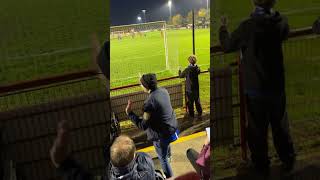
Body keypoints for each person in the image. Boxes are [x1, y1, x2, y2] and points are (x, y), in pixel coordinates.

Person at [218, 0, 295, 175]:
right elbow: (284, 30)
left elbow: (227, 45)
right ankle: (288, 159)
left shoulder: (248, 27)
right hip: (276, 86)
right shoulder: (280, 23)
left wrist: (223, 28)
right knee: (281, 127)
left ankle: (261, 164)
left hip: (255, 89)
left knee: (257, 130)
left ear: (254, 4)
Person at [50, 121, 157, 180]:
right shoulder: (145, 168)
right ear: (134, 156)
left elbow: (59, 160)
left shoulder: (109, 171)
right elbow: (144, 159)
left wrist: (62, 161)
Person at [126, 73, 179, 178]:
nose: (140, 86)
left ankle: (169, 175)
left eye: (141, 84)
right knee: (166, 146)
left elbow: (143, 126)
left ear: (146, 86)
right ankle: (169, 156)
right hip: (172, 128)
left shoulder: (149, 103)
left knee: (162, 158)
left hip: (162, 135)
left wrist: (130, 113)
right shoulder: (164, 91)